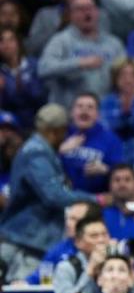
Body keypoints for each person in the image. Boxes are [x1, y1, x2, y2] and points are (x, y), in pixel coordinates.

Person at [0, 105, 94, 283]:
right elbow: (53, 196)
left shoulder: (42, 152)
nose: (65, 136)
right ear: (55, 131)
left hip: (26, 239)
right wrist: (94, 199)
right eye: (63, 131)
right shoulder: (37, 153)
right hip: (25, 243)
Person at [37, 0, 126, 109]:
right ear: (71, 15)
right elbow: (43, 68)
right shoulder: (61, 41)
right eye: (81, 9)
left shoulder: (114, 44)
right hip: (70, 113)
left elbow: (126, 74)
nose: (87, 12)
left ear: (97, 12)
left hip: (105, 113)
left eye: (90, 8)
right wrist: (78, 63)